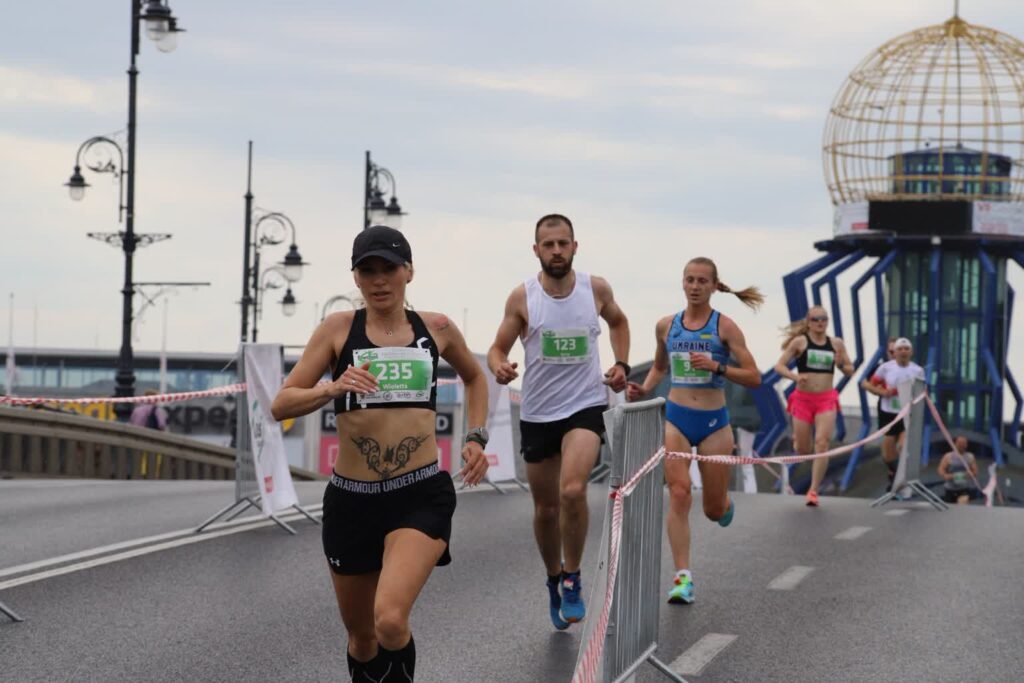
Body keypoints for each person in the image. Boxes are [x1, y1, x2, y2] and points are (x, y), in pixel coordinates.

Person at [271, 226, 489, 682]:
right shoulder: (337, 330)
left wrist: (476, 437)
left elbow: (476, 377)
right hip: (351, 500)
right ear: (355, 277)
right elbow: (281, 403)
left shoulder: (438, 328)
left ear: (408, 271)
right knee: (363, 637)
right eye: (367, 270)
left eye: (388, 268)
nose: (379, 280)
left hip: (420, 494)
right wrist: (332, 386)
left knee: (389, 618)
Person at [488, 213, 630, 629]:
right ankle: (553, 578)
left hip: (585, 406)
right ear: (536, 250)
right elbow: (497, 348)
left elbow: (619, 321)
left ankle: (573, 576)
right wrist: (500, 367)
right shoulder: (523, 297)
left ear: (574, 246)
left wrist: (621, 362)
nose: (556, 251)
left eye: (562, 243)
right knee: (546, 509)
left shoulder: (595, 289)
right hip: (538, 413)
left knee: (572, 490)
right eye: (548, 245)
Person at [626, 257, 762, 605]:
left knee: (712, 510)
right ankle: (682, 577)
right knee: (680, 492)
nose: (695, 286)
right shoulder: (666, 326)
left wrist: (717, 365)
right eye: (690, 280)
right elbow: (659, 366)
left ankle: (723, 504)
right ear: (682, 283)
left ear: (715, 286)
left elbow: (754, 376)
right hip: (677, 418)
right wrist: (644, 388)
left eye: (703, 281)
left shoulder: (725, 328)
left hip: (715, 422)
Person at [773, 306, 854, 506]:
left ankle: (813, 491)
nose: (820, 322)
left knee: (822, 443)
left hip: (826, 399)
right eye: (816, 319)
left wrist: (841, 365)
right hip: (803, 399)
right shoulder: (800, 342)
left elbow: (849, 370)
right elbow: (779, 366)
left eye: (824, 319)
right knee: (803, 450)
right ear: (809, 321)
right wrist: (794, 376)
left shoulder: (836, 343)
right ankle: (798, 443)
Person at [861, 337, 925, 491]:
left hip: (906, 413)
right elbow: (869, 384)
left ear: (911, 352)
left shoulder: (917, 370)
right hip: (888, 413)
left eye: (906, 349)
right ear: (894, 353)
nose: (903, 352)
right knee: (888, 454)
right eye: (899, 350)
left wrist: (911, 396)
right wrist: (883, 392)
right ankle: (894, 475)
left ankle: (904, 477)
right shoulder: (885, 368)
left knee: (903, 446)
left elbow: (922, 392)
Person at [937, 435, 978, 505]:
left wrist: (968, 475)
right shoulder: (948, 456)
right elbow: (940, 469)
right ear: (955, 444)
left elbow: (975, 471)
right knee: (950, 511)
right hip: (950, 488)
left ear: (966, 445)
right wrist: (945, 475)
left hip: (963, 488)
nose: (962, 446)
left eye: (964, 444)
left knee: (962, 509)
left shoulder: (970, 456)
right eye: (960, 443)